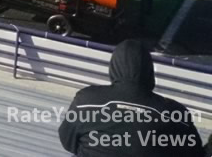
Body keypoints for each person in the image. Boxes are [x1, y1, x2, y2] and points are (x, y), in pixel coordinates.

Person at [57, 39, 204, 156]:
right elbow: (195, 153)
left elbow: (67, 141)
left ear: (114, 67)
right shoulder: (174, 113)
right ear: (149, 71)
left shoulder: (85, 100)